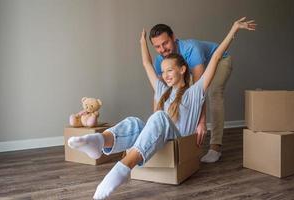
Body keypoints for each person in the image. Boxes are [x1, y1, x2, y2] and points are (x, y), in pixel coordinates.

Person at [67, 17, 256, 200]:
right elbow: (146, 64)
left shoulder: (195, 91)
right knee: (134, 121)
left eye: (170, 70)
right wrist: (142, 42)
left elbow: (215, 57)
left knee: (159, 117)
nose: (165, 75)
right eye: (163, 71)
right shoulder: (162, 90)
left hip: (179, 141)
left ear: (183, 70)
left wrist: (233, 29)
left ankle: (123, 168)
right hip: (162, 140)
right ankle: (100, 141)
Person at [149, 22, 234, 162]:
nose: (162, 49)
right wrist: (155, 123)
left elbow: (200, 91)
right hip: (194, 64)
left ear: (173, 38)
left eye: (165, 43)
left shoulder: (191, 49)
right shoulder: (160, 61)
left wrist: (201, 122)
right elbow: (160, 93)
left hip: (221, 59)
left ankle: (215, 147)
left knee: (214, 92)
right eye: (157, 47)